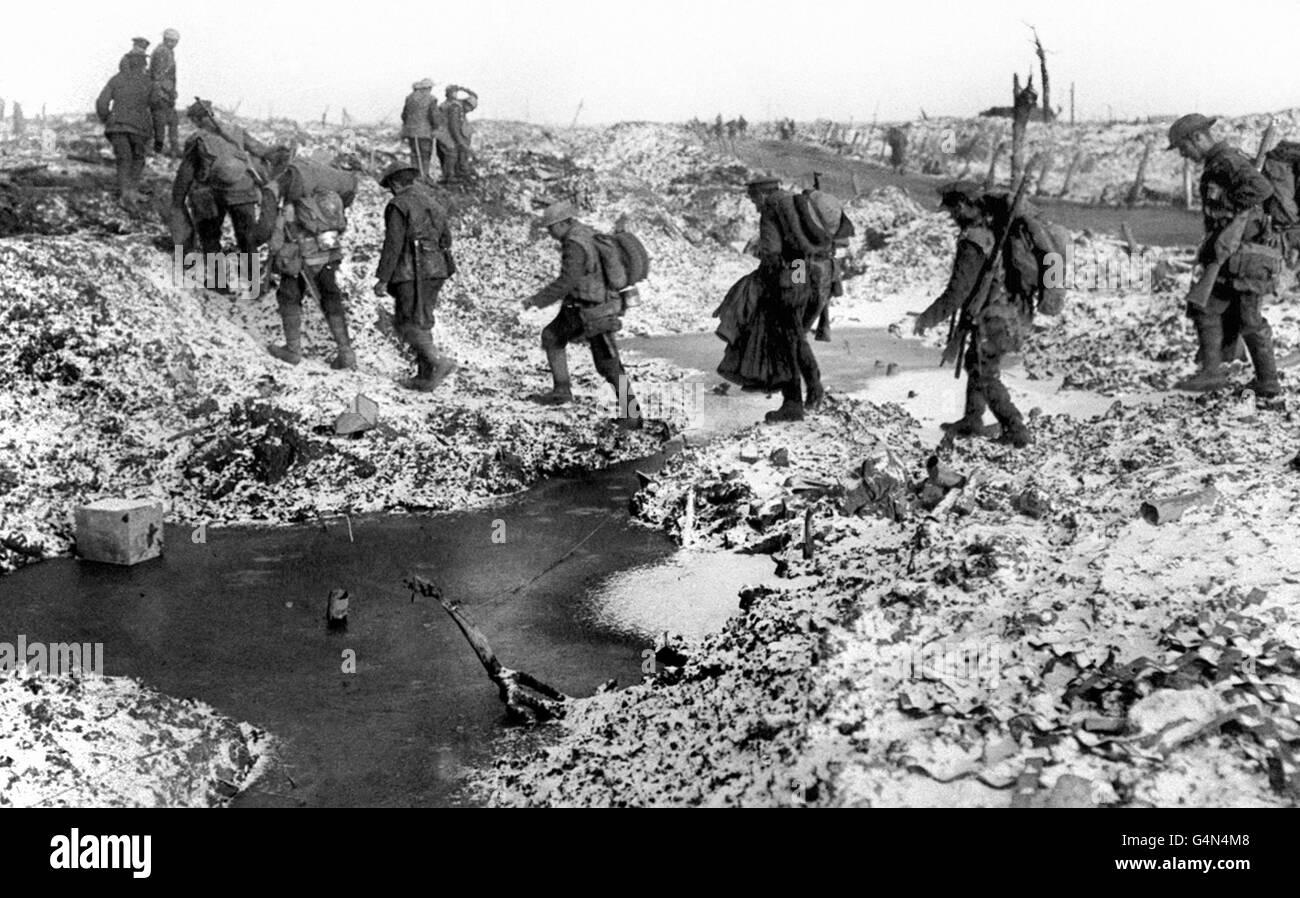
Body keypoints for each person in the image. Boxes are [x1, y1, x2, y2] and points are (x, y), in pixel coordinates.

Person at [1167, 113, 1282, 396]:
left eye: (1185, 148)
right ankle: (1211, 373)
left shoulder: (1227, 162)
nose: (1185, 155)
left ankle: (1268, 384)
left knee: (1250, 321)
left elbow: (1261, 189)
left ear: (1198, 138)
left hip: (1248, 258)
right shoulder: (1217, 164)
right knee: (1206, 309)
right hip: (1228, 257)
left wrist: (1233, 213)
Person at [912, 181, 1034, 447]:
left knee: (984, 372)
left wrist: (928, 317)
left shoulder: (973, 241)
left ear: (964, 205)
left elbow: (957, 292)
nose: (952, 216)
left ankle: (1015, 427)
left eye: (953, 209)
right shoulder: (991, 230)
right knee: (974, 362)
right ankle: (972, 420)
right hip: (1007, 313)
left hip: (994, 318)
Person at [520, 200, 641, 427]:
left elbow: (567, 280)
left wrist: (537, 300)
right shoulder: (585, 233)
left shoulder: (574, 244)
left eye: (551, 228)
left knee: (608, 363)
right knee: (552, 336)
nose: (550, 233)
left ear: (564, 223)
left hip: (594, 310)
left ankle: (632, 415)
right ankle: (561, 390)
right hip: (586, 305)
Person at [746, 175, 830, 422]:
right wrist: (797, 282)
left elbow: (771, 252)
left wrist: (773, 283)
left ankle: (793, 404)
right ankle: (814, 388)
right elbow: (798, 251)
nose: (754, 205)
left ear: (761, 195)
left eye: (753, 200)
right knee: (795, 336)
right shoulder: (792, 202)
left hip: (788, 283)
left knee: (783, 342)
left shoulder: (771, 207)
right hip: (806, 275)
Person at [266, 155, 360, 370]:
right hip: (328, 253)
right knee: (330, 296)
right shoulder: (329, 197)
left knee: (288, 295)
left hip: (301, 256)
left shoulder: (291, 206)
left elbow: (275, 242)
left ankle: (292, 350)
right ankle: (346, 352)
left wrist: (276, 240)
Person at [373, 161, 458, 391]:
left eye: (390, 186)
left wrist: (383, 278)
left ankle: (438, 362)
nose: (390, 191)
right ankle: (424, 376)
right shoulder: (434, 202)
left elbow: (393, 244)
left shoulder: (398, 205)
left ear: (395, 183)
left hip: (411, 271)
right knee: (422, 319)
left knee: (405, 322)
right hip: (436, 269)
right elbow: (446, 240)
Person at [171, 98, 273, 259]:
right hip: (243, 191)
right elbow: (261, 150)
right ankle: (253, 281)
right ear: (211, 113)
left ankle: (217, 282)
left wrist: (177, 201)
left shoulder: (197, 139)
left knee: (210, 239)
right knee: (248, 239)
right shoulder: (236, 131)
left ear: (196, 119)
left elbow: (186, 172)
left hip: (211, 195)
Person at [95, 51, 154, 208]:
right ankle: (131, 192)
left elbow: (101, 102)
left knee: (123, 159)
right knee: (138, 159)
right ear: (144, 64)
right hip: (139, 128)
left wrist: (107, 118)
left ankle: (125, 193)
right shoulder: (148, 81)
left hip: (116, 127)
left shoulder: (116, 79)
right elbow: (156, 105)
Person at [149, 29, 181, 157]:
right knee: (161, 123)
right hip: (160, 93)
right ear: (166, 40)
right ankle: (160, 149)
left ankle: (172, 149)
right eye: (172, 41)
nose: (174, 44)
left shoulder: (167, 51)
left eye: (175, 41)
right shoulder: (162, 52)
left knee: (171, 121)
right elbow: (158, 76)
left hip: (165, 93)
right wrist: (169, 91)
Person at [399, 78, 440, 179]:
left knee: (414, 154)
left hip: (410, 132)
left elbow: (404, 115)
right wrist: (436, 127)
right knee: (425, 154)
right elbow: (434, 115)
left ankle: (415, 175)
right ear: (428, 88)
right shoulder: (431, 99)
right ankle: (424, 175)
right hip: (424, 132)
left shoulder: (409, 98)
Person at [438, 84, 477, 183]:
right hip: (446, 134)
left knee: (452, 154)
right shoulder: (455, 107)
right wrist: (460, 141)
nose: (469, 111)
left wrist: (465, 89)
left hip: (444, 133)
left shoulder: (450, 104)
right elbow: (454, 126)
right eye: (470, 108)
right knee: (452, 153)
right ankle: (450, 176)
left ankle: (454, 174)